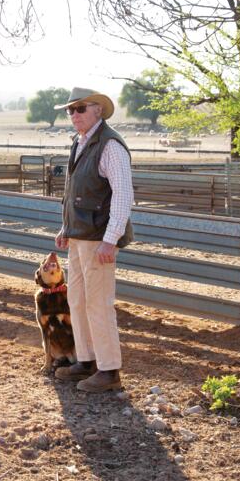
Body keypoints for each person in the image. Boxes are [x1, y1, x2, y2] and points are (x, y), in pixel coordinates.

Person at [52, 87, 134, 392]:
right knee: (78, 299)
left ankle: (109, 370)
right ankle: (86, 360)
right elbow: (75, 192)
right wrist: (66, 227)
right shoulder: (81, 142)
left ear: (98, 109)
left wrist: (110, 240)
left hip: (98, 238)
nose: (73, 115)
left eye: (80, 108)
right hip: (80, 236)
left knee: (98, 303)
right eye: (70, 110)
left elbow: (124, 196)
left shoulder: (110, 146)